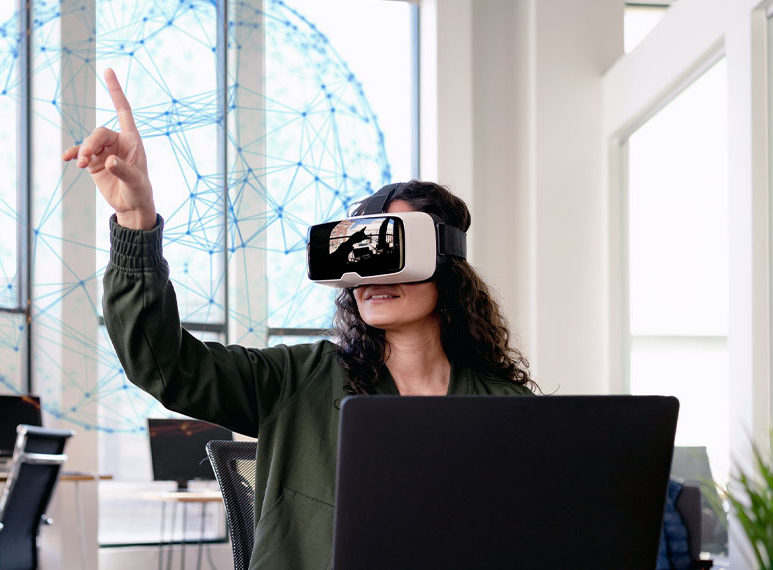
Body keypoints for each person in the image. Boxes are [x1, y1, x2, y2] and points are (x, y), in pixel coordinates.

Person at [63, 69, 536, 569]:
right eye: (357, 257)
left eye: (389, 252)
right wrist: (137, 219)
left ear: (446, 264)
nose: (369, 275)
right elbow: (164, 365)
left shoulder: (505, 408)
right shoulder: (298, 381)